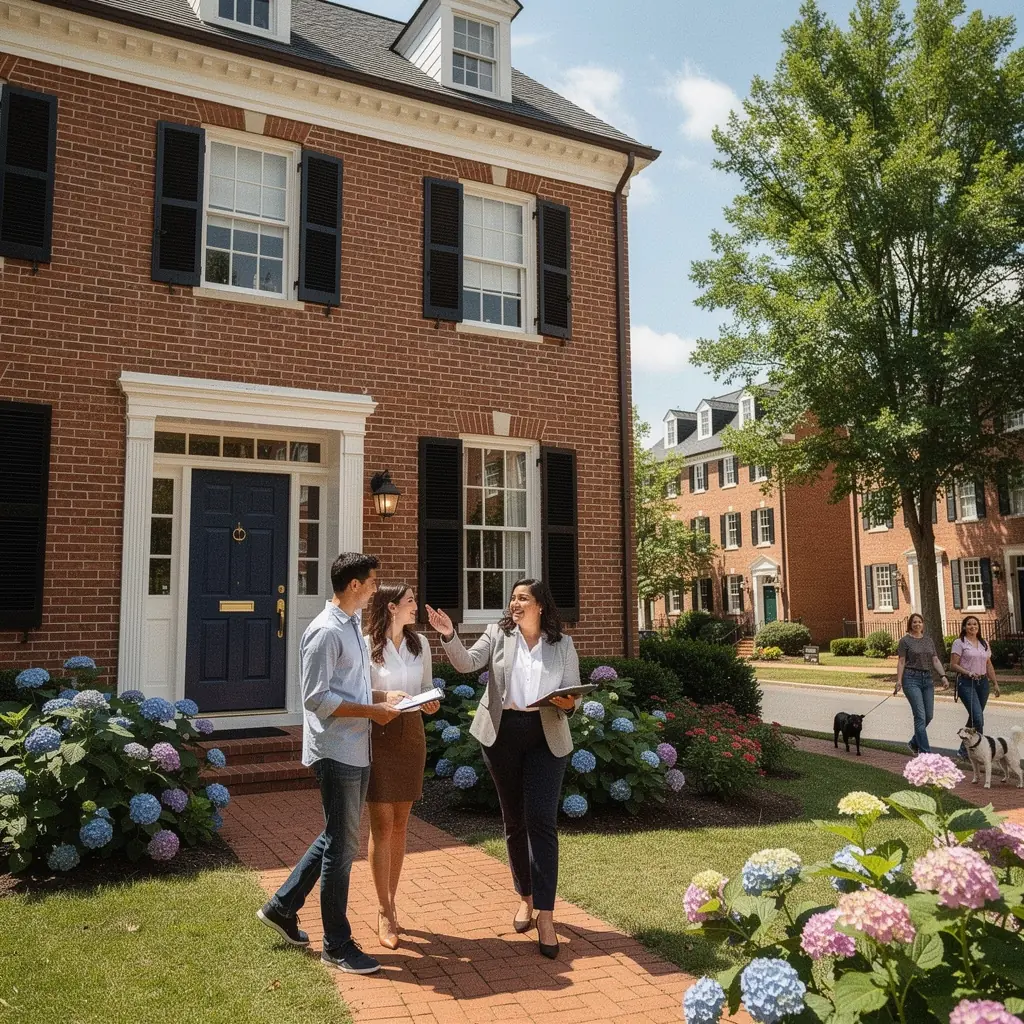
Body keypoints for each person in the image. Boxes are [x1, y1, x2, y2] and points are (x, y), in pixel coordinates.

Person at [257, 552, 402, 975]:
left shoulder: (353, 624)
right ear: (354, 585)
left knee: (336, 836)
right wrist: (372, 714)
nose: (377, 588)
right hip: (335, 751)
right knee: (343, 847)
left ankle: (282, 907)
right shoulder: (324, 632)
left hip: (356, 748)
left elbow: (350, 687)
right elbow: (317, 699)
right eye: (373, 581)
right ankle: (336, 944)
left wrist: (380, 699)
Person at [426, 579, 579, 960]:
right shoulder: (497, 633)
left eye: (522, 598)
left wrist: (568, 702)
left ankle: (546, 914)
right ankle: (525, 898)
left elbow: (573, 693)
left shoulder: (563, 644)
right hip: (503, 734)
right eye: (512, 598)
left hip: (547, 734)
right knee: (514, 821)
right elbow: (466, 664)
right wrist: (449, 635)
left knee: (542, 820)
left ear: (541, 605)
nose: (515, 603)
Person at [364, 583, 440, 950]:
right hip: (376, 735)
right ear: (392, 608)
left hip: (411, 734)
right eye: (411, 601)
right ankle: (383, 910)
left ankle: (392, 902)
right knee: (382, 823)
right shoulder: (365, 645)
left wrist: (430, 702)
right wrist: (384, 697)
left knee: (401, 823)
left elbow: (425, 686)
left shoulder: (420, 644)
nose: (416, 608)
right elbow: (355, 693)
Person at [894, 613, 949, 755]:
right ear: (910, 625)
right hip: (911, 679)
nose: (917, 624)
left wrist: (943, 676)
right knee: (920, 716)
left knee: (929, 715)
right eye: (914, 622)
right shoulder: (905, 641)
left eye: (919, 622)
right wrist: (899, 680)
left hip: (927, 679)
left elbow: (935, 659)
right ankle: (925, 752)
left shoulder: (929, 640)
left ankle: (914, 742)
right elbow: (901, 661)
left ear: (923, 624)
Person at [952, 615, 1001, 759]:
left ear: (978, 627)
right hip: (967, 683)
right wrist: (968, 672)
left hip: (983, 683)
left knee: (974, 717)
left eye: (975, 624)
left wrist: (995, 683)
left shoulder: (984, 643)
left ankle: (963, 750)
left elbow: (989, 664)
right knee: (978, 719)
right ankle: (977, 750)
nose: (972, 627)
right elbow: (953, 665)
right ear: (964, 627)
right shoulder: (959, 643)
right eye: (969, 624)